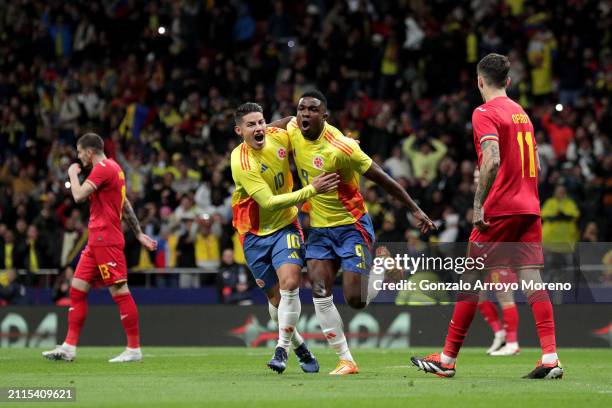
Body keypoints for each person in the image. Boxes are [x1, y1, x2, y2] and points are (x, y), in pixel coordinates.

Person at [411, 53, 562, 379]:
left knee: (470, 280)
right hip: (529, 207)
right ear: (507, 81)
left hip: (500, 209)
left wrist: (479, 204)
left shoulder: (484, 112)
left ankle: (447, 359)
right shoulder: (522, 113)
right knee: (531, 280)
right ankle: (550, 357)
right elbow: (534, 158)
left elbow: (491, 159)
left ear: (480, 81)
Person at [272, 90, 434, 375]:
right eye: (301, 109)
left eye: (312, 109)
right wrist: (258, 131)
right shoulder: (293, 127)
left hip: (352, 227)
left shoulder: (343, 146)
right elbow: (278, 126)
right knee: (320, 290)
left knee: (354, 300)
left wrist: (415, 209)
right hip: (320, 228)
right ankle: (346, 359)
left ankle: (382, 266)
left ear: (325, 116)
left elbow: (384, 179)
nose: (305, 114)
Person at [230, 102, 340, 374]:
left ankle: (281, 350)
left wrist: (341, 142)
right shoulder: (240, 160)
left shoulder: (278, 136)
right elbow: (267, 202)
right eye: (250, 124)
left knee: (291, 282)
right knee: (276, 303)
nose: (258, 129)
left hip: (286, 227)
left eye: (261, 122)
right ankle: (300, 346)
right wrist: (311, 190)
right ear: (238, 130)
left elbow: (303, 125)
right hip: (253, 234)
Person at [43, 133, 157, 363]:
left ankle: (134, 349)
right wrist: (139, 233)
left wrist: (73, 174)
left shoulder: (103, 168)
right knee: (76, 289)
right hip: (95, 240)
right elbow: (125, 204)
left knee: (120, 292)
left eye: (79, 152)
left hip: (107, 240)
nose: (78, 156)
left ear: (89, 151)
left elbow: (77, 195)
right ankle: (69, 347)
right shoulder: (115, 168)